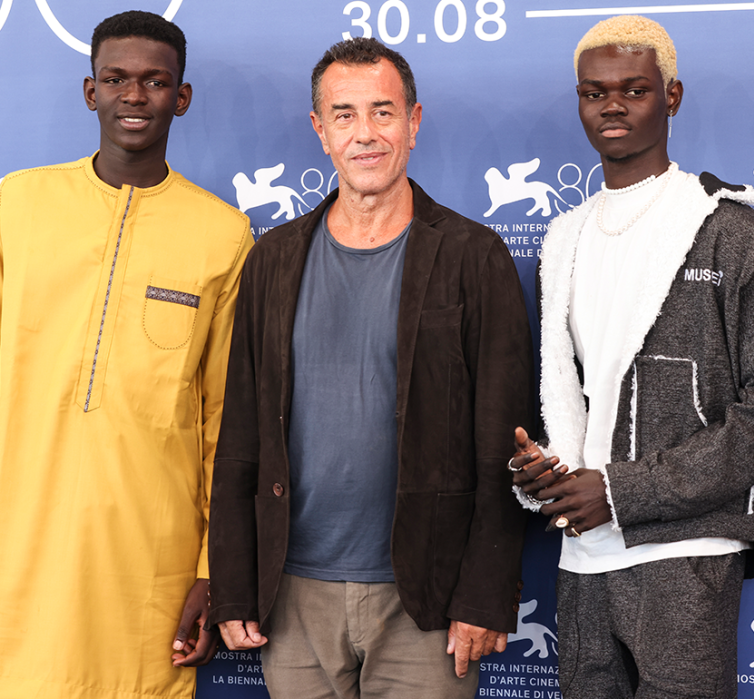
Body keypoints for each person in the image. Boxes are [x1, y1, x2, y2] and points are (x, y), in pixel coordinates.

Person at [0, 11, 253, 699]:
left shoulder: (223, 235)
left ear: (182, 96)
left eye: (154, 81)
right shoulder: (17, 205)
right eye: (116, 79)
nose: (134, 96)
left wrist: (210, 566)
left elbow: (225, 426)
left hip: (150, 574)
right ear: (90, 91)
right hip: (16, 560)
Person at [208, 36, 533, 699]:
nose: (366, 134)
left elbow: (507, 442)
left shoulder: (475, 255)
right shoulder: (271, 261)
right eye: (346, 114)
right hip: (292, 594)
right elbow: (241, 436)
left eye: (383, 112)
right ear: (320, 130)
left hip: (428, 597)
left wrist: (484, 593)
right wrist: (235, 585)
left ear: (413, 123)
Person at [510, 15, 754, 699]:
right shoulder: (564, 239)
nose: (611, 106)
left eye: (634, 90)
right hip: (583, 556)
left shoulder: (728, 230)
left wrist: (621, 491)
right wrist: (546, 473)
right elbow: (570, 399)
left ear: (671, 96)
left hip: (688, 551)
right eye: (594, 92)